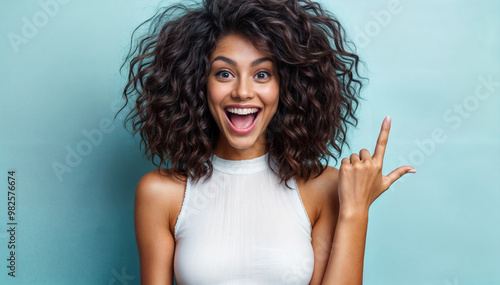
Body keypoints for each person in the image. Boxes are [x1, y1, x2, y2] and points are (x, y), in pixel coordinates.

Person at [120, 0, 416, 284]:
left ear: (286, 86)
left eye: (262, 74)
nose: (243, 91)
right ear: (199, 83)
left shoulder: (322, 186)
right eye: (224, 73)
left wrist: (356, 210)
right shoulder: (160, 193)